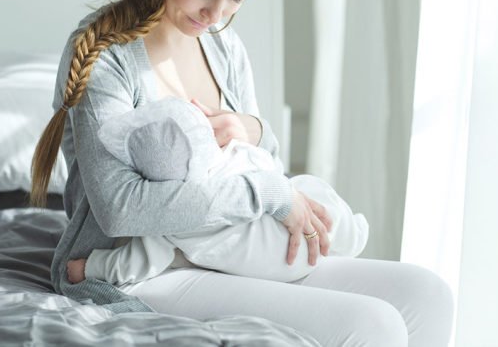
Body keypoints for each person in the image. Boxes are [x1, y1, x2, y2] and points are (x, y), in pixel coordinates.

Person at [31, 0, 454, 345]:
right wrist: (270, 196)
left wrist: (254, 129)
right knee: (372, 323)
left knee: (427, 295)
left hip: (228, 247)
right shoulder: (108, 55)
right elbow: (120, 211)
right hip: (141, 268)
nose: (214, 15)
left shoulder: (223, 47)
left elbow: (260, 162)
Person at [65, 97, 369, 285]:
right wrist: (275, 190)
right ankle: (354, 232)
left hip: (276, 266)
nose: (216, 13)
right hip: (293, 239)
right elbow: (271, 168)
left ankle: (349, 232)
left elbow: (135, 263)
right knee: (313, 193)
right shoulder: (232, 157)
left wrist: (90, 267)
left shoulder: (164, 223)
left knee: (415, 288)